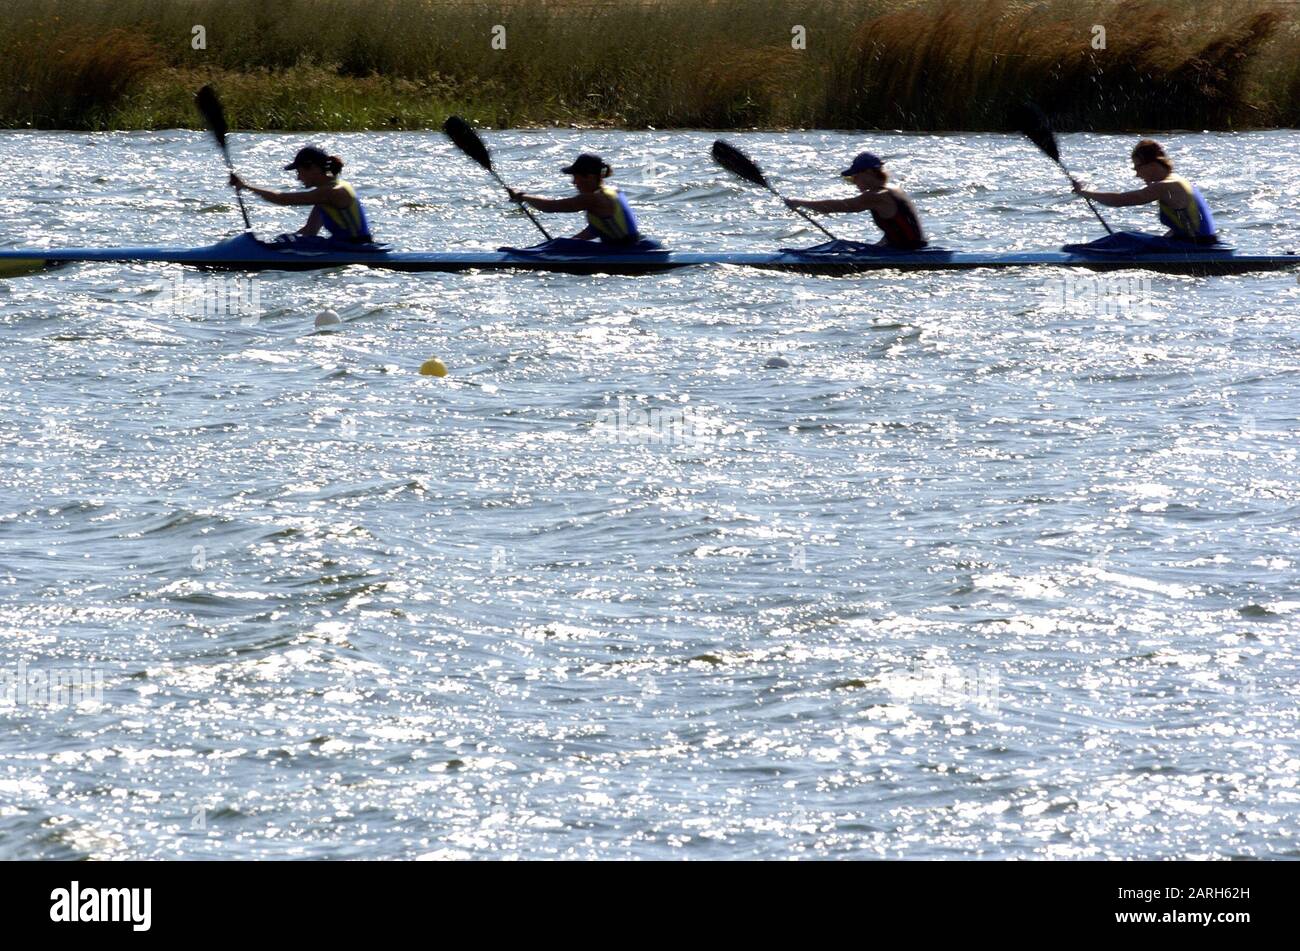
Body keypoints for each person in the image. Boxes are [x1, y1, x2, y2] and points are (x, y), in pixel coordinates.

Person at [1072, 139, 1217, 244]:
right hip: (1201, 243)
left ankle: (1075, 253)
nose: (1137, 174)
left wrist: (1085, 192)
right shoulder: (1178, 180)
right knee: (1131, 240)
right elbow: (1184, 228)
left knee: (1121, 238)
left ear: (1152, 165)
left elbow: (1120, 200)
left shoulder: (1166, 186)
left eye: (1137, 167)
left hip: (1195, 247)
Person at [228, 146, 374, 244]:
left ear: (314, 169)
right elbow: (310, 231)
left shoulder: (332, 192)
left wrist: (245, 186)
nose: (298, 178)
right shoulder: (325, 193)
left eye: (299, 172)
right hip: (346, 247)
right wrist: (275, 245)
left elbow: (282, 199)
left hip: (355, 248)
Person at [784, 152, 927, 250]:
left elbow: (841, 206)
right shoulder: (894, 189)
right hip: (912, 248)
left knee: (838, 248)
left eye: (855, 177)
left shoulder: (877, 195)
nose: (854, 182)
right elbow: (896, 231)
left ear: (869, 173)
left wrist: (800, 202)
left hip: (906, 252)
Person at [508, 154, 645, 245]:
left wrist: (522, 196)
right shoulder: (613, 191)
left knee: (559, 245)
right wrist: (570, 243)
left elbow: (551, 207)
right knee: (560, 244)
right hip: (629, 245)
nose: (574, 182)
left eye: (576, 177)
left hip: (621, 250)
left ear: (590, 177)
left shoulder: (593, 198)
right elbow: (597, 229)